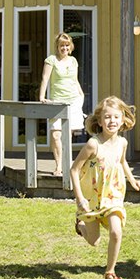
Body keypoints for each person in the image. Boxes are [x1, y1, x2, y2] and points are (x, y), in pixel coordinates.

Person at [70, 96, 140, 279]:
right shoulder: (93, 144)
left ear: (123, 120)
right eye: (107, 117)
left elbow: (121, 162)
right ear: (100, 121)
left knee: (116, 232)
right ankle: (81, 226)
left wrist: (132, 179)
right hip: (92, 197)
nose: (112, 121)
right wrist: (80, 200)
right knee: (94, 241)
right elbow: (74, 170)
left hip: (113, 195)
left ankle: (110, 272)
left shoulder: (122, 143)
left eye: (116, 117)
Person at [38, 32, 85, 176]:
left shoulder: (73, 61)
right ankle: (58, 166)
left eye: (66, 45)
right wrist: (41, 97)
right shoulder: (51, 60)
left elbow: (75, 80)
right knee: (56, 135)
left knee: (67, 136)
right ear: (57, 47)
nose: (64, 48)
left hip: (74, 100)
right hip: (57, 101)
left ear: (70, 46)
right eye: (61, 45)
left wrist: (81, 94)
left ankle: (67, 165)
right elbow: (45, 79)